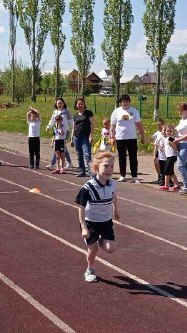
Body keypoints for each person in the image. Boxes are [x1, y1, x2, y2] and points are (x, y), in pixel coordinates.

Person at [76, 151, 119, 283]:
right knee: (93, 249)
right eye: (106, 166)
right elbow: (81, 207)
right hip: (91, 223)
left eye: (112, 166)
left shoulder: (112, 183)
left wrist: (116, 209)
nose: (109, 169)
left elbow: (114, 196)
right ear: (96, 168)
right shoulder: (88, 187)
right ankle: (90, 269)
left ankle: (99, 239)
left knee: (110, 249)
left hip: (106, 222)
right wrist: (83, 227)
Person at [110, 94, 145, 182]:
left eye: (126, 101)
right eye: (123, 101)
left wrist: (142, 136)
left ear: (129, 102)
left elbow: (139, 125)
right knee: (122, 157)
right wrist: (112, 137)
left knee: (133, 157)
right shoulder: (116, 111)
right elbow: (112, 126)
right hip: (120, 137)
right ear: (121, 103)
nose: (125, 103)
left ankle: (134, 176)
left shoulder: (134, 111)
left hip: (132, 137)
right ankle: (122, 175)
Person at [172, 102, 187, 194]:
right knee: (186, 166)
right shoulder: (182, 120)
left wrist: (178, 140)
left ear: (186, 110)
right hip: (181, 145)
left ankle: (186, 186)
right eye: (179, 110)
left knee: (180, 165)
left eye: (181, 110)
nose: (179, 112)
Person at [45, 98, 73, 170]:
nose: (59, 105)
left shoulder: (66, 112)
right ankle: (69, 163)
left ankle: (52, 163)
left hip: (65, 133)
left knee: (59, 148)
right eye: (58, 103)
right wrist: (48, 127)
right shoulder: (55, 112)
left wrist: (73, 130)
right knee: (62, 149)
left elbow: (71, 122)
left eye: (61, 103)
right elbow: (52, 120)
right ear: (56, 104)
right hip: (57, 132)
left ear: (63, 103)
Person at [71, 97, 95, 177]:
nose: (80, 105)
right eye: (78, 104)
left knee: (87, 154)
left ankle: (91, 171)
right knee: (79, 154)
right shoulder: (75, 116)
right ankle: (82, 171)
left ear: (84, 105)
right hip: (77, 137)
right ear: (76, 105)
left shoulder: (88, 113)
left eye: (81, 104)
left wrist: (91, 135)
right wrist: (71, 139)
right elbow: (73, 128)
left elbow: (92, 125)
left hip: (85, 137)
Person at [157, 124, 180, 192]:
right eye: (167, 131)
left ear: (173, 132)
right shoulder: (166, 138)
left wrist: (172, 144)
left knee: (166, 170)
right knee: (170, 171)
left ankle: (166, 186)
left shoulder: (172, 138)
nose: (169, 132)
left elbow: (176, 148)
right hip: (168, 156)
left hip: (172, 156)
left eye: (170, 131)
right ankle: (177, 185)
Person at [151, 119, 165, 185]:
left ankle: (164, 177)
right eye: (157, 125)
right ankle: (159, 176)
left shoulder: (165, 132)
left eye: (159, 125)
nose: (158, 126)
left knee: (162, 164)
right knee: (156, 164)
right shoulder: (157, 133)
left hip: (163, 151)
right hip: (157, 151)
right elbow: (155, 143)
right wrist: (154, 154)